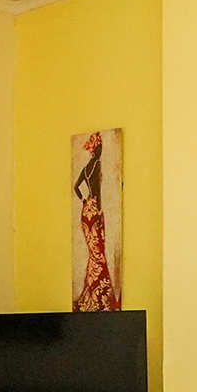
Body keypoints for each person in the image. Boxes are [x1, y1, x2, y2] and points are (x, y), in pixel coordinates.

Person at [73, 131, 119, 311]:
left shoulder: (86, 168)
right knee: (99, 251)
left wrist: (84, 201)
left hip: (86, 212)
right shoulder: (97, 165)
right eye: (99, 148)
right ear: (96, 150)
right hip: (95, 210)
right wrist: (98, 209)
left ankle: (92, 292)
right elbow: (97, 191)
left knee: (94, 251)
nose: (100, 150)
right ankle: (100, 295)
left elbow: (76, 187)